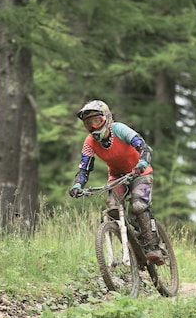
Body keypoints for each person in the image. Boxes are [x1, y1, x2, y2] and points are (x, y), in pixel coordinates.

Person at [68, 100, 161, 262]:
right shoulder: (89, 142)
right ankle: (130, 245)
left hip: (140, 172)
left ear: (107, 118)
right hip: (118, 177)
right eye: (88, 123)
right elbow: (84, 168)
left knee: (139, 205)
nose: (93, 127)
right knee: (112, 209)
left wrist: (142, 163)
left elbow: (144, 147)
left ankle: (154, 247)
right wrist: (77, 185)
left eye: (96, 121)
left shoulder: (118, 129)